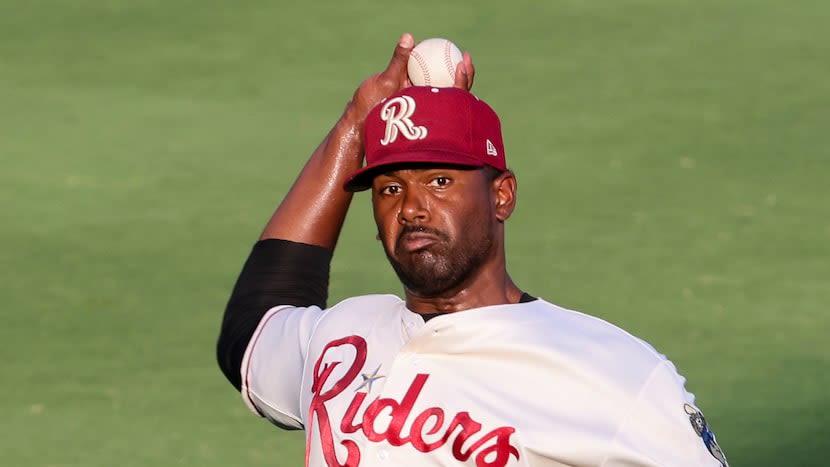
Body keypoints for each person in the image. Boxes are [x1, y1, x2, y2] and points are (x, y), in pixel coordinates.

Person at [216, 33, 728, 467]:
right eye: (390, 189)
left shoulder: (615, 373)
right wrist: (356, 125)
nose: (412, 208)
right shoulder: (342, 336)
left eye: (440, 181)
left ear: (501, 196)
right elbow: (252, 329)